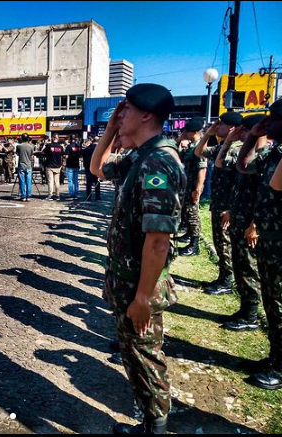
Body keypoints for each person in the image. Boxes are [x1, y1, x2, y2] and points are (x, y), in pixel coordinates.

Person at [91, 84, 185, 435]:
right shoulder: (141, 156)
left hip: (139, 286)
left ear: (146, 114)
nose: (120, 114)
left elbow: (158, 240)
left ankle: (155, 428)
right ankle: (150, 423)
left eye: (126, 109)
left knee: (145, 358)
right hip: (127, 281)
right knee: (134, 355)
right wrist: (111, 129)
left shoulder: (159, 161)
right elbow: (98, 168)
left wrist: (143, 298)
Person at [236, 97, 282, 390]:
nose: (267, 123)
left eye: (273, 119)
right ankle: (276, 358)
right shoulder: (274, 153)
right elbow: (243, 166)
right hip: (271, 242)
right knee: (273, 304)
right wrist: (253, 136)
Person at [215, 114, 266, 332]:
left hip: (251, 224)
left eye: (247, 130)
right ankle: (245, 310)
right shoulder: (248, 155)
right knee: (241, 267)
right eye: (242, 130)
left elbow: (266, 194)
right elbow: (226, 166)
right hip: (239, 218)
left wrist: (254, 224)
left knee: (249, 269)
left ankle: (252, 314)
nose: (242, 134)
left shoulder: (266, 156)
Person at [194, 112, 243, 295]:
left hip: (227, 206)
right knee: (219, 242)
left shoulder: (238, 148)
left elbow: (240, 182)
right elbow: (199, 152)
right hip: (218, 202)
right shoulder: (223, 145)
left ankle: (227, 281)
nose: (217, 127)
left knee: (225, 244)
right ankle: (223, 277)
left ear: (232, 128)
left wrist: (231, 208)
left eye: (220, 124)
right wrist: (207, 134)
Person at [177, 118, 208, 257]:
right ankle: (189, 235)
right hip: (187, 186)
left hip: (192, 187)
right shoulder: (191, 146)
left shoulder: (200, 147)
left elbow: (202, 169)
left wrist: (198, 189)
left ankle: (194, 245)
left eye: (187, 131)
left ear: (195, 132)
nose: (185, 133)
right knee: (187, 213)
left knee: (192, 214)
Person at [43, 134, 64, 201]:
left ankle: (50, 195)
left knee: (50, 181)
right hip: (58, 166)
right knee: (57, 181)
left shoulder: (49, 146)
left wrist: (45, 145)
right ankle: (57, 195)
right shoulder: (60, 147)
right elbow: (62, 155)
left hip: (50, 165)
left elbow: (43, 152)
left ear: (52, 138)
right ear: (57, 138)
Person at [82, 137, 101, 201]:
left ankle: (88, 197)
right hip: (97, 167)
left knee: (88, 182)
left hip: (88, 167)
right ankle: (97, 196)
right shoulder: (99, 149)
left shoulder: (86, 149)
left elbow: (83, 157)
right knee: (97, 182)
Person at [16, 133, 34, 202]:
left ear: (22, 138)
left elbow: (17, 154)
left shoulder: (19, 146)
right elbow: (32, 155)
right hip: (28, 165)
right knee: (29, 181)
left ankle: (23, 196)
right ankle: (28, 196)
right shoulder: (31, 146)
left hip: (21, 165)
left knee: (22, 181)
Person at [64, 135, 82, 200]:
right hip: (76, 165)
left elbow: (66, 156)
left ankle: (71, 194)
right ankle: (76, 193)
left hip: (70, 165)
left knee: (70, 180)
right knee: (76, 180)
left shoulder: (69, 147)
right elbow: (80, 155)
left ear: (70, 139)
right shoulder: (78, 147)